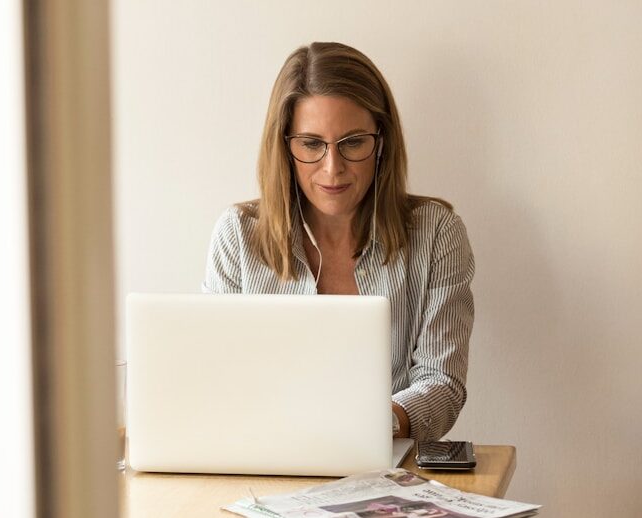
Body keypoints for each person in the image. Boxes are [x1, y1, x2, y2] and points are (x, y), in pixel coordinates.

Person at [201, 42, 474, 442]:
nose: (333, 168)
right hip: (263, 461)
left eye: (353, 142)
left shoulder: (436, 232)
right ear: (285, 146)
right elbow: (216, 378)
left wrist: (375, 424)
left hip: (387, 466)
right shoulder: (238, 235)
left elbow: (443, 383)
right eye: (311, 144)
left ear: (381, 141)